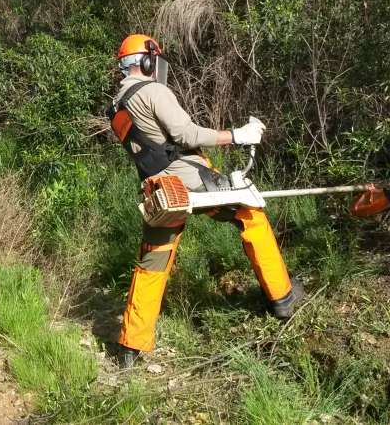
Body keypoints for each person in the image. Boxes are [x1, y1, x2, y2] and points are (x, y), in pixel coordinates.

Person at [108, 34, 303, 369]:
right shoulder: (153, 91)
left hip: (158, 189)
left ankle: (132, 345)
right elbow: (187, 135)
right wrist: (235, 135)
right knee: (250, 214)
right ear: (146, 61)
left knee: (153, 260)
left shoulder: (117, 105)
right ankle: (283, 296)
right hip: (189, 181)